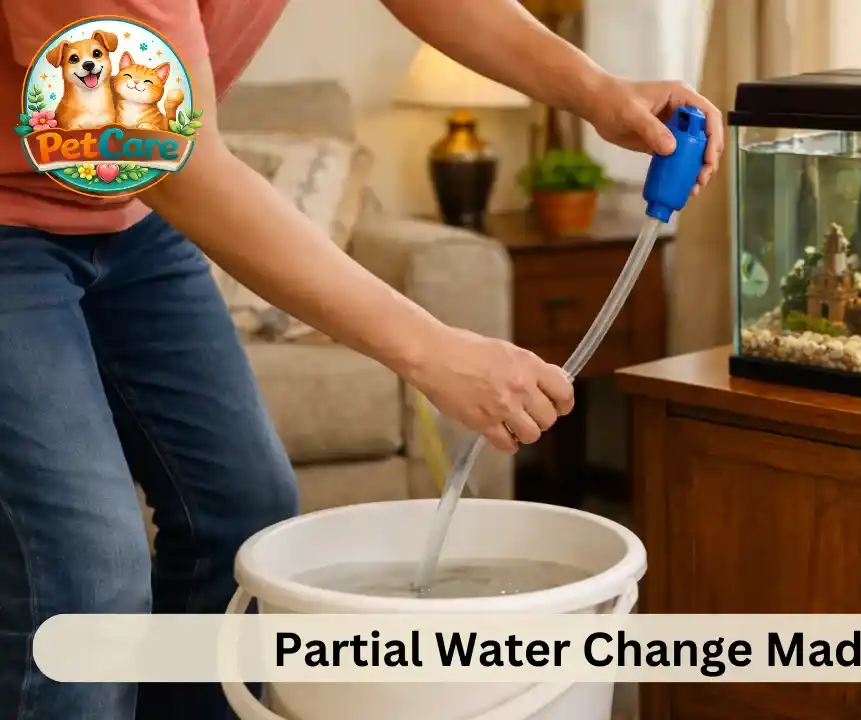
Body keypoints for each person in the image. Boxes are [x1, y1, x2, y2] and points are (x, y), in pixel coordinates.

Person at [0, 0, 724, 717]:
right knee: (87, 577)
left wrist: (598, 90)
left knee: (240, 511)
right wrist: (434, 352)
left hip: (130, 213)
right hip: (35, 210)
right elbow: (158, 154)